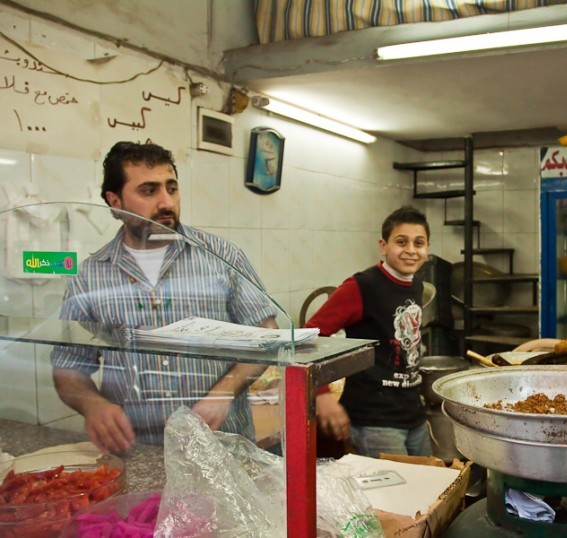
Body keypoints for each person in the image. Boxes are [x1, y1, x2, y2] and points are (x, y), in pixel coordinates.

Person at [51, 141, 278, 454]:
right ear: (114, 201)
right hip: (140, 451)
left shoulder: (220, 256)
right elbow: (69, 367)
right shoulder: (90, 275)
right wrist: (93, 406)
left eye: (171, 188)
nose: (166, 202)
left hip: (221, 447)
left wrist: (223, 393)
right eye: (149, 191)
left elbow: (266, 336)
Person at [306, 205, 432, 458]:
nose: (410, 250)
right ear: (383, 245)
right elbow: (309, 335)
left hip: (412, 415)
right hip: (374, 421)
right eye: (401, 242)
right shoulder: (362, 286)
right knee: (396, 497)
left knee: (430, 489)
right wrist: (321, 395)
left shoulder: (415, 284)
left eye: (419, 243)